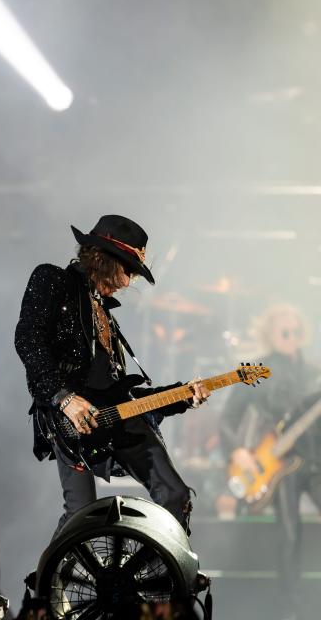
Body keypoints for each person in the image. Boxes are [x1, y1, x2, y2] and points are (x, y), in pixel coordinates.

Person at [14, 215, 209, 533]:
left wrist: (181, 394)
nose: (128, 282)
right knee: (80, 519)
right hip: (71, 418)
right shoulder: (53, 281)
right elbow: (28, 339)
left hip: (115, 418)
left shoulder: (104, 314)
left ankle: (155, 578)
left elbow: (122, 396)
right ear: (101, 258)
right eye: (127, 270)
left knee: (175, 495)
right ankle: (51, 583)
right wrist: (63, 398)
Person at [222, 304, 320, 620]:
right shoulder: (258, 370)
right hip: (279, 465)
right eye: (284, 332)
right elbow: (228, 418)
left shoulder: (314, 371)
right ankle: (289, 607)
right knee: (289, 533)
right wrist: (238, 451)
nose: (291, 338)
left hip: (316, 459)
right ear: (270, 334)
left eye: (295, 332)